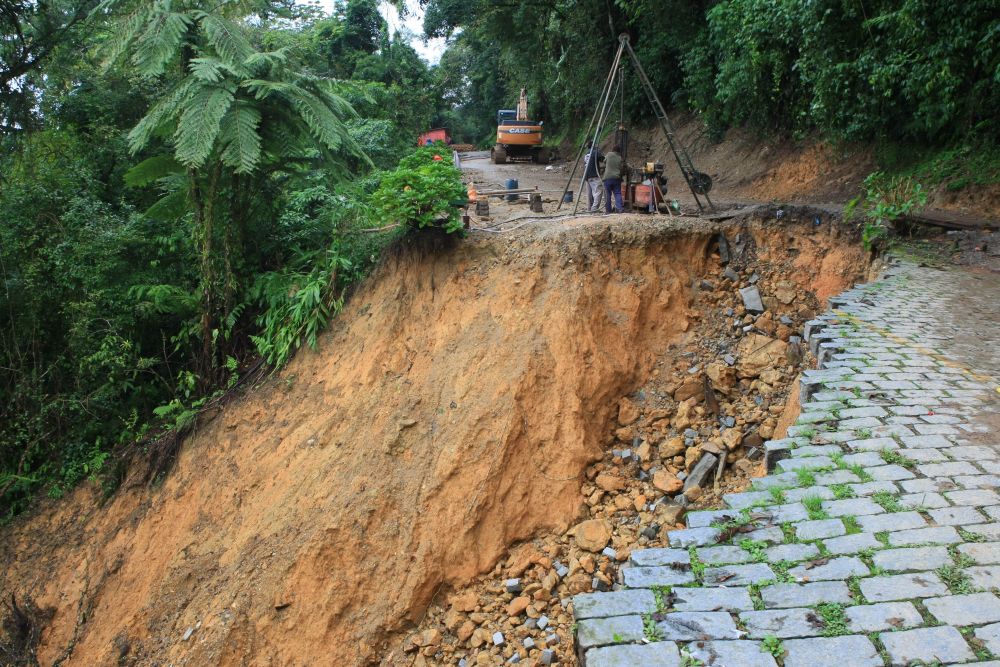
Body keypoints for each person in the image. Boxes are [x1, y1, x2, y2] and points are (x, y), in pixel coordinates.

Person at [582, 139, 604, 212]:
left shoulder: (586, 153)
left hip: (586, 175)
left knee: (590, 193)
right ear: (593, 145)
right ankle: (594, 208)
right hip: (594, 174)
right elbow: (602, 159)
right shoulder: (594, 152)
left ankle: (590, 208)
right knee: (599, 191)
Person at [602, 144, 625, 214]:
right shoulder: (620, 157)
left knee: (607, 194)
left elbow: (604, 161)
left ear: (613, 150)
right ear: (619, 151)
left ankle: (608, 210)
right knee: (617, 193)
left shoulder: (609, 154)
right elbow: (622, 168)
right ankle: (619, 208)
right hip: (616, 178)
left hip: (607, 178)